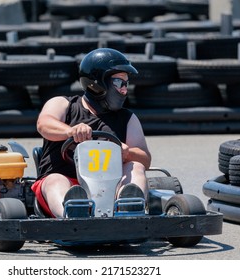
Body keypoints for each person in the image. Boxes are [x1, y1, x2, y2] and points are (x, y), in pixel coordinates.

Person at [31, 48, 151, 218]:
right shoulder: (64, 104)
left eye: (126, 83)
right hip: (67, 182)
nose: (124, 90)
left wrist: (127, 153)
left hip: (110, 189)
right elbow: (43, 124)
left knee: (136, 166)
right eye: (118, 83)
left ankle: (128, 209)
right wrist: (70, 131)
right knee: (55, 180)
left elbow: (145, 159)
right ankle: (73, 213)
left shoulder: (127, 118)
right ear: (97, 83)